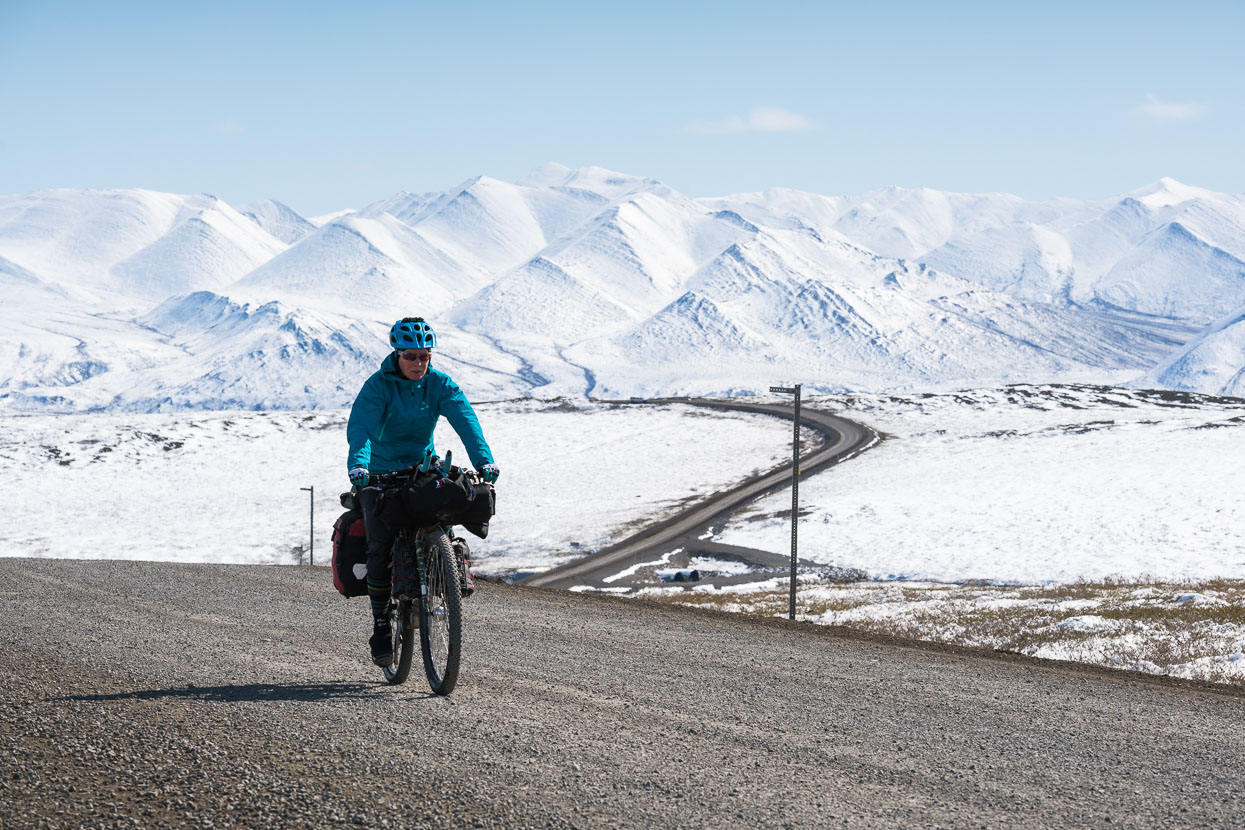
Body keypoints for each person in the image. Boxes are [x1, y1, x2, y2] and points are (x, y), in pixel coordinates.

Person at [346, 317, 500, 666]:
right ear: (397, 355)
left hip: (421, 469)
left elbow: (467, 423)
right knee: (379, 544)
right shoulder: (378, 387)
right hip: (379, 473)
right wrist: (359, 466)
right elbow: (362, 429)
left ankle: (444, 567)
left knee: (446, 508)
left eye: (425, 357)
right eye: (411, 356)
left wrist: (485, 462)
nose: (418, 363)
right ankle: (382, 624)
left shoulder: (440, 385)